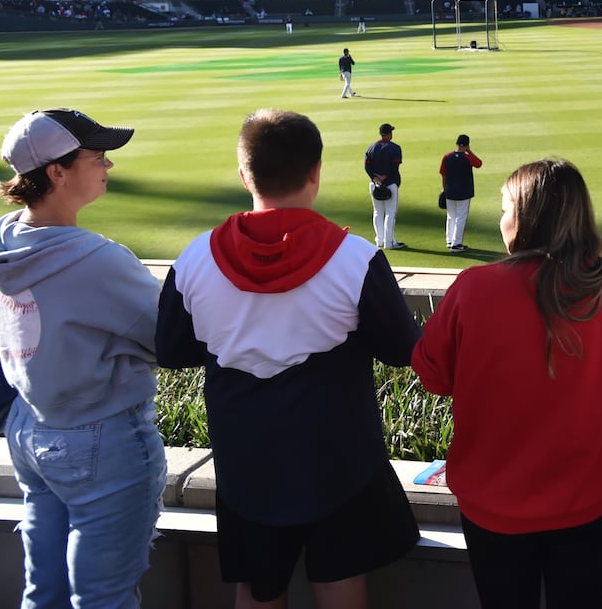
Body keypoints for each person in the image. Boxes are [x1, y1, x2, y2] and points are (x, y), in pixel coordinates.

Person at [156, 109, 421, 609]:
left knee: (257, 590)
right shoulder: (356, 259)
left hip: (246, 464)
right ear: (316, 171)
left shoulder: (193, 259)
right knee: (341, 584)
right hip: (339, 462)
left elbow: (172, 352)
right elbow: (402, 350)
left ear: (243, 174)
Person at [411, 159, 602, 609]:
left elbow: (432, 375)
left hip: (495, 507)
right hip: (588, 500)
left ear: (529, 219)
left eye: (507, 208)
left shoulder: (473, 289)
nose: (502, 219)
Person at [0, 108, 166, 608]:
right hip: (100, 440)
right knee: (103, 599)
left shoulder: (7, 241)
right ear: (56, 172)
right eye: (97, 156)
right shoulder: (96, 259)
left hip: (29, 429)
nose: (107, 165)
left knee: (44, 593)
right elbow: (172, 340)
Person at [439, 134, 482, 252]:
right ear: (467, 145)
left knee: (451, 216)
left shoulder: (447, 156)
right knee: (460, 217)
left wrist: (444, 189)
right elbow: (479, 163)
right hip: (464, 192)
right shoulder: (468, 158)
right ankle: (456, 244)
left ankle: (449, 240)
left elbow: (443, 174)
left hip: (450, 191)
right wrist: (469, 151)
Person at [364, 123, 404, 250]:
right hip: (390, 184)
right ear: (389, 134)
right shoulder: (395, 148)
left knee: (377, 212)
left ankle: (379, 241)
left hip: (375, 185)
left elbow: (367, 166)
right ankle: (389, 242)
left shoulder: (371, 148)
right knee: (390, 213)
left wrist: (375, 177)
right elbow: (395, 166)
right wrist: (384, 176)